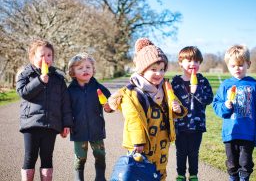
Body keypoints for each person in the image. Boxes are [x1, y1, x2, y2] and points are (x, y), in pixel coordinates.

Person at [108, 38, 187, 181]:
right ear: (142, 70)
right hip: (142, 144)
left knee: (159, 173)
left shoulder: (165, 88)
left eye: (162, 69)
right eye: (154, 69)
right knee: (141, 174)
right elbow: (133, 120)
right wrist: (138, 142)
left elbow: (177, 108)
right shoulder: (131, 93)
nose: (159, 74)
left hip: (162, 142)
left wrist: (178, 109)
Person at [16, 39, 73, 181]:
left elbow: (65, 103)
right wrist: (40, 81)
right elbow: (23, 92)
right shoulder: (26, 74)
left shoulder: (58, 79)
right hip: (31, 124)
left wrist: (66, 124)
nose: (45, 58)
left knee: (47, 157)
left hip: (51, 125)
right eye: (41, 55)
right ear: (32, 57)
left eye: (49, 55)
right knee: (30, 156)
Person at [212, 45, 256, 181]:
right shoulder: (225, 85)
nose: (237, 68)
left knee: (245, 164)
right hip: (230, 133)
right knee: (231, 164)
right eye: (233, 66)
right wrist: (225, 106)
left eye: (241, 65)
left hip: (248, 134)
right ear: (228, 66)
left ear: (248, 64)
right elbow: (216, 106)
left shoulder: (254, 85)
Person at [67, 52, 113, 181]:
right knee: (80, 157)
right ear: (73, 72)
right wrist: (66, 124)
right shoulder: (70, 91)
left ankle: (100, 178)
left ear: (93, 69)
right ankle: (78, 178)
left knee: (100, 155)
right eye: (80, 68)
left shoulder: (99, 88)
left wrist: (109, 108)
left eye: (88, 67)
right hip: (78, 129)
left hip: (96, 128)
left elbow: (110, 103)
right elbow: (66, 110)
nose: (85, 70)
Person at [171, 46, 214, 181]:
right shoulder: (175, 82)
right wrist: (173, 106)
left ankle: (194, 174)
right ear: (180, 63)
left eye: (196, 61)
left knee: (194, 152)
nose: (193, 64)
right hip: (180, 125)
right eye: (189, 60)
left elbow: (208, 99)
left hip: (197, 125)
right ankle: (181, 174)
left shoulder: (202, 81)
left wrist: (197, 91)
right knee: (181, 152)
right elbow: (169, 100)